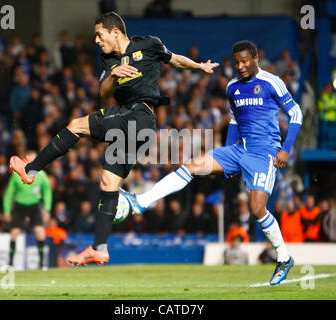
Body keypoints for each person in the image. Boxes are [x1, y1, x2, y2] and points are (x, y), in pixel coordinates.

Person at [9, 12, 218, 266]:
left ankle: (30, 169)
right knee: (108, 182)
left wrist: (199, 66)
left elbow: (175, 60)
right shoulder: (109, 59)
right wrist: (114, 74)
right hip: (134, 124)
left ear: (115, 32)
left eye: (99, 34)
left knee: (76, 125)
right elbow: (104, 92)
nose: (96, 40)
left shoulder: (149, 44)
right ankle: (100, 247)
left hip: (139, 115)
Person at [122, 40, 303, 285]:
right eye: (236, 61)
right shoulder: (232, 87)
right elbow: (235, 122)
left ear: (255, 59)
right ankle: (142, 201)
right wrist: (228, 152)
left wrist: (286, 149)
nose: (239, 66)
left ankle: (283, 257)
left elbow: (296, 113)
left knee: (257, 209)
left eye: (244, 61)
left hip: (264, 153)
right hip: (238, 149)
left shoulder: (272, 82)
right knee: (192, 164)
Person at [3, 151, 52, 269]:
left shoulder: (41, 175)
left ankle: (41, 263)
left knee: (40, 233)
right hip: (20, 205)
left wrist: (47, 209)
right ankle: (10, 263)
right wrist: (6, 211)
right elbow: (9, 193)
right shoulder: (16, 175)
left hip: (34, 205)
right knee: (14, 233)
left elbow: (47, 192)